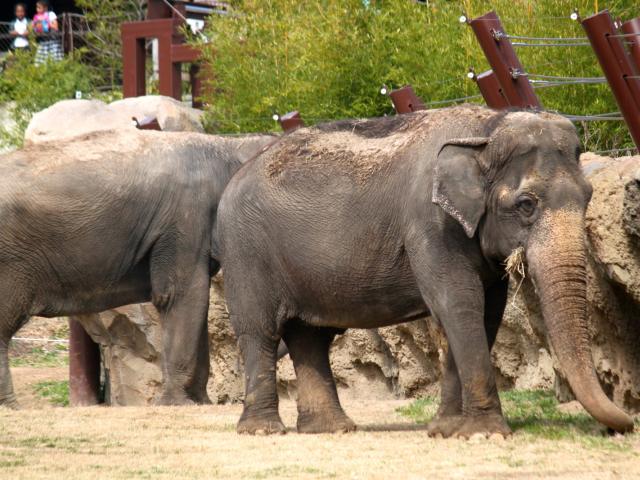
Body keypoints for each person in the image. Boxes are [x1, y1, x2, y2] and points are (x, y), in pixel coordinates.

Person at [33, 0, 63, 64]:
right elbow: (35, 28)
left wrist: (45, 23)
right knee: (40, 61)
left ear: (45, 8)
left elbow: (56, 27)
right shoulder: (37, 17)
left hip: (52, 40)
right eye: (37, 7)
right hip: (43, 40)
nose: (37, 9)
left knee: (55, 59)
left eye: (39, 7)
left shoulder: (51, 14)